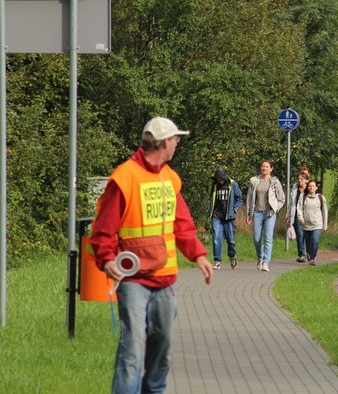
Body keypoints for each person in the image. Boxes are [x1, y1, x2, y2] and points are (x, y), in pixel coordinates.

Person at [90, 117, 213, 394]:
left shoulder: (170, 177)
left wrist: (199, 256)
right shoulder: (124, 177)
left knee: (163, 348)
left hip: (165, 280)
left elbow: (182, 225)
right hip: (133, 280)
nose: (178, 144)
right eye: (176, 140)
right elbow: (104, 227)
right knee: (132, 349)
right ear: (165, 142)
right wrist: (107, 259)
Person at [246, 159, 285, 272]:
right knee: (257, 238)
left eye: (267, 167)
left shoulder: (274, 182)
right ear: (260, 168)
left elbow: (281, 199)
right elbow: (249, 198)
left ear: (271, 169)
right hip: (257, 212)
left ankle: (266, 262)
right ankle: (260, 257)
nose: (265, 168)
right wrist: (248, 214)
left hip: (269, 213)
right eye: (263, 166)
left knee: (268, 238)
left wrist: (274, 209)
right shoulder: (254, 181)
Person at [208, 167, 243, 269]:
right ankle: (217, 260)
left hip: (229, 216)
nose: (220, 181)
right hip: (217, 215)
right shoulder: (214, 186)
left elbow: (239, 199)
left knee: (230, 240)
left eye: (222, 179)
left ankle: (232, 256)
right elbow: (212, 199)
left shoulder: (233, 184)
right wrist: (211, 210)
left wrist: (234, 209)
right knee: (216, 237)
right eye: (218, 179)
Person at [297, 179, 328, 265]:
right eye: (310, 186)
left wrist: (324, 225)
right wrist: (300, 218)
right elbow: (299, 208)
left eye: (313, 186)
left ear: (316, 188)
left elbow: (324, 211)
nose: (311, 188)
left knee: (314, 240)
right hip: (306, 224)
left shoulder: (320, 198)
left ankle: (312, 258)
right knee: (308, 242)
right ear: (308, 187)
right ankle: (309, 254)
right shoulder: (303, 197)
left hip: (317, 224)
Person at [288, 171, 310, 263]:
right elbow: (291, 202)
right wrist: (288, 214)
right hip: (297, 215)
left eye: (302, 179)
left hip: (308, 215)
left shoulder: (310, 188)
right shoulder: (295, 188)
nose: (299, 180)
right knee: (300, 235)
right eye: (298, 178)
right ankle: (301, 254)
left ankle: (309, 251)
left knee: (308, 235)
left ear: (306, 180)